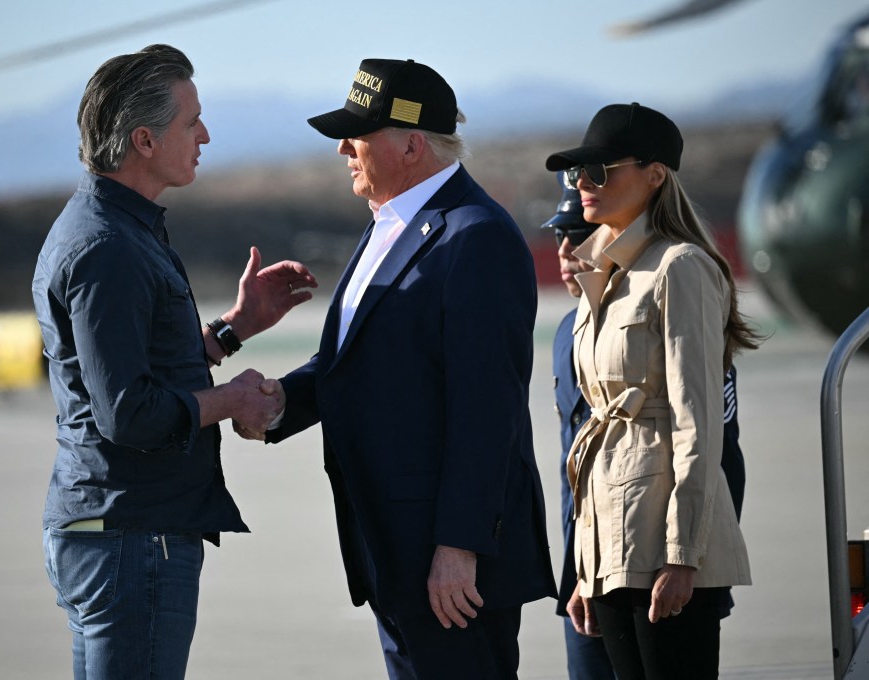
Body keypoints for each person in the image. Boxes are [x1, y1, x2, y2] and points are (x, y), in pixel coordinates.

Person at [243, 58, 557, 679]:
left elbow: (485, 408)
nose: (342, 148)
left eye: (358, 133)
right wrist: (280, 403)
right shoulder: (393, 223)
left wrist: (459, 546)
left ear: (412, 144)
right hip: (394, 551)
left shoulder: (476, 237)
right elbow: (362, 364)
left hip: (448, 565)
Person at [31, 44, 317, 680]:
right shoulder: (108, 247)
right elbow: (129, 412)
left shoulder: (113, 228)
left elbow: (135, 366)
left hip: (116, 530)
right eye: (191, 122)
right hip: (130, 536)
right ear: (143, 139)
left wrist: (232, 330)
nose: (205, 135)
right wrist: (233, 400)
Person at [544, 102, 760, 680]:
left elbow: (699, 423)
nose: (583, 185)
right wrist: (585, 569)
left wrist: (683, 554)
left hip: (664, 544)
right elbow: (597, 427)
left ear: (655, 173)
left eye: (599, 171)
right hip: (608, 545)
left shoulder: (681, 268)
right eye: (575, 174)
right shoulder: (602, 275)